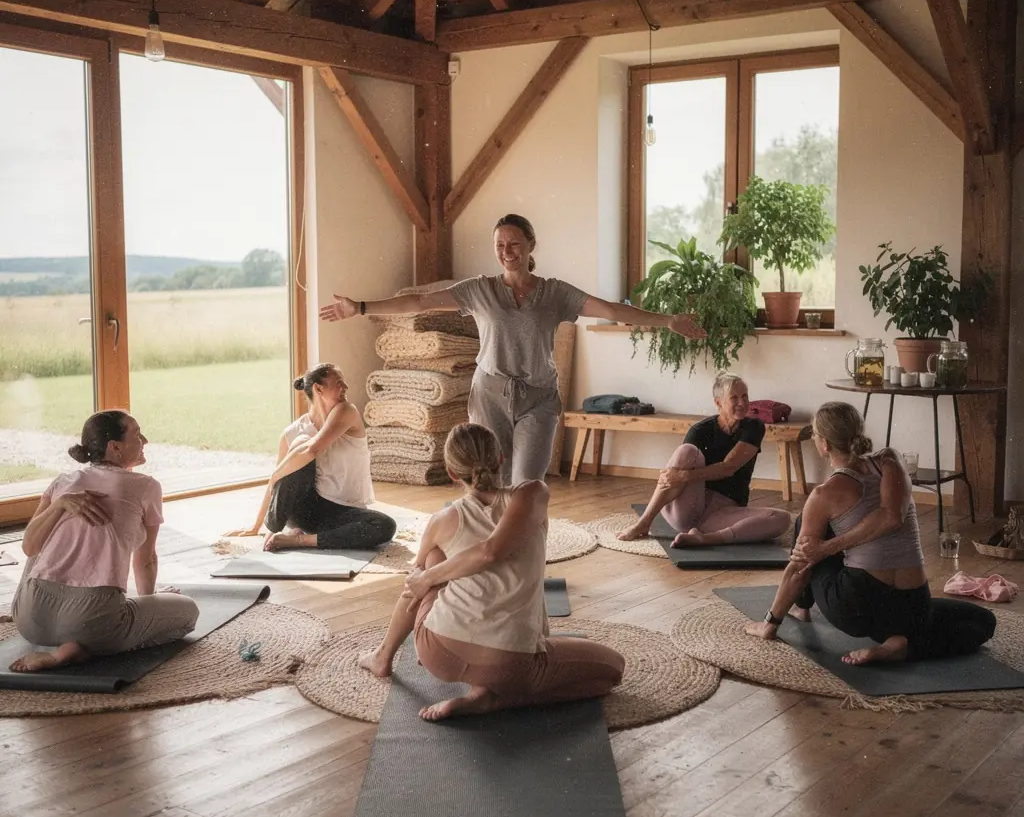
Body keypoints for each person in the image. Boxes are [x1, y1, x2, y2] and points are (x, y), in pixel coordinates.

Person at [320, 212, 705, 486]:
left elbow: (608, 309)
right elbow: (419, 303)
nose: (507, 251)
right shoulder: (480, 290)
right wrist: (361, 307)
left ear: (531, 246)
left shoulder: (555, 293)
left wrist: (666, 320)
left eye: (514, 244)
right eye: (500, 245)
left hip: (538, 397)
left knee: (528, 484)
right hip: (489, 396)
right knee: (490, 481)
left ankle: (527, 560)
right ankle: (495, 557)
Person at [358, 422, 625, 721]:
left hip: (438, 650)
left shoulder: (440, 520)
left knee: (429, 560)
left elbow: (419, 583)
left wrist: (427, 576)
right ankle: (499, 699)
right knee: (612, 670)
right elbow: (489, 551)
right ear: (501, 458)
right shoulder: (533, 493)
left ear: (451, 473)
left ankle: (384, 657)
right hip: (512, 664)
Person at [744, 402, 996, 665]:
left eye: (815, 435)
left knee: (807, 537)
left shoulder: (823, 495)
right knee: (983, 622)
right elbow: (891, 515)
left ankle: (802, 608)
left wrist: (770, 622)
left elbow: (799, 567)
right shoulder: (890, 460)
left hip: (857, 607)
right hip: (912, 604)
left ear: (825, 445)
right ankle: (903, 644)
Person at [9, 411, 199, 673]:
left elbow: (29, 549)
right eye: (137, 434)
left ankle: (64, 647)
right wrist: (150, 603)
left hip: (30, 622)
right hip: (91, 625)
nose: (145, 440)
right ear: (115, 447)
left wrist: (59, 505)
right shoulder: (146, 486)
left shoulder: (63, 481)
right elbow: (145, 560)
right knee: (188, 613)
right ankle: (80, 651)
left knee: (41, 541)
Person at [228, 363, 396, 551]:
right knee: (300, 441)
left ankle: (299, 540)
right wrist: (258, 526)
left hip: (345, 512)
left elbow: (312, 449)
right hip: (304, 512)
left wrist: (276, 475)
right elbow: (279, 481)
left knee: (384, 525)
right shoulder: (291, 433)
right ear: (318, 388)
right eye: (339, 383)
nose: (346, 388)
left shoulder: (346, 411)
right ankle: (276, 531)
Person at [618, 372, 791, 546]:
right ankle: (644, 523)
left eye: (745, 396)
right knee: (687, 451)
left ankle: (706, 538)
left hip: (721, 514)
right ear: (718, 403)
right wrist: (679, 476)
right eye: (734, 398)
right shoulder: (700, 430)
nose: (742, 403)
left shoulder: (754, 427)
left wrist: (684, 476)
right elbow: (675, 474)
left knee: (782, 519)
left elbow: (728, 467)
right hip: (687, 509)